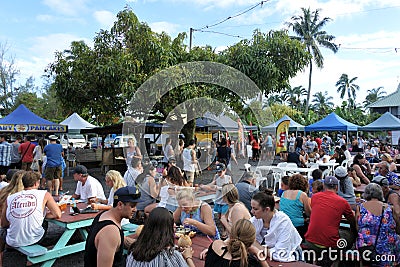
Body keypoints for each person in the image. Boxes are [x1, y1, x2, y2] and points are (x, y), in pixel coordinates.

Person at [84, 186, 143, 267]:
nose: (135, 209)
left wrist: (141, 244)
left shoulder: (104, 215)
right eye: (132, 206)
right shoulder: (110, 231)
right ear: (120, 204)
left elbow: (118, 241)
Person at [304, 176, 357, 266]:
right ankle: (336, 262)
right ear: (337, 187)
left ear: (324, 186)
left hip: (310, 241)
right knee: (351, 235)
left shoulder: (314, 197)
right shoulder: (343, 202)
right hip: (330, 245)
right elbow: (352, 221)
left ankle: (315, 261)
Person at [1, 171, 61, 248]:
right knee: (44, 222)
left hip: (12, 240)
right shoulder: (44, 194)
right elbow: (57, 214)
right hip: (35, 238)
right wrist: (41, 215)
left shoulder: (10, 198)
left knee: (4, 230)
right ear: (37, 183)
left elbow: (4, 224)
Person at [126, 207, 195, 267]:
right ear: (167, 230)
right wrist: (188, 258)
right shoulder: (169, 256)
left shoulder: (134, 251)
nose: (174, 225)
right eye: (172, 223)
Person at [250, 188, 302, 262]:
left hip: (291, 255)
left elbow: (281, 255)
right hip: (270, 256)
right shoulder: (255, 220)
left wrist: (257, 246)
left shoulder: (283, 221)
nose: (252, 211)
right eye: (252, 208)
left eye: (255, 209)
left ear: (267, 210)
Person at [355, 183, 400, 266]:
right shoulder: (389, 209)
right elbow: (397, 228)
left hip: (366, 249)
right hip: (385, 250)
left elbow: (358, 228)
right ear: (380, 194)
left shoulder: (360, 207)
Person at [203, 219, 269, 267]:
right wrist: (258, 253)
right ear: (251, 241)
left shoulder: (215, 245)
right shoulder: (248, 262)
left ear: (231, 234)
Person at [279, 174, 311, 238]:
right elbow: (308, 213)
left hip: (284, 224)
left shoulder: (284, 193)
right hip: (297, 226)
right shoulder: (302, 195)